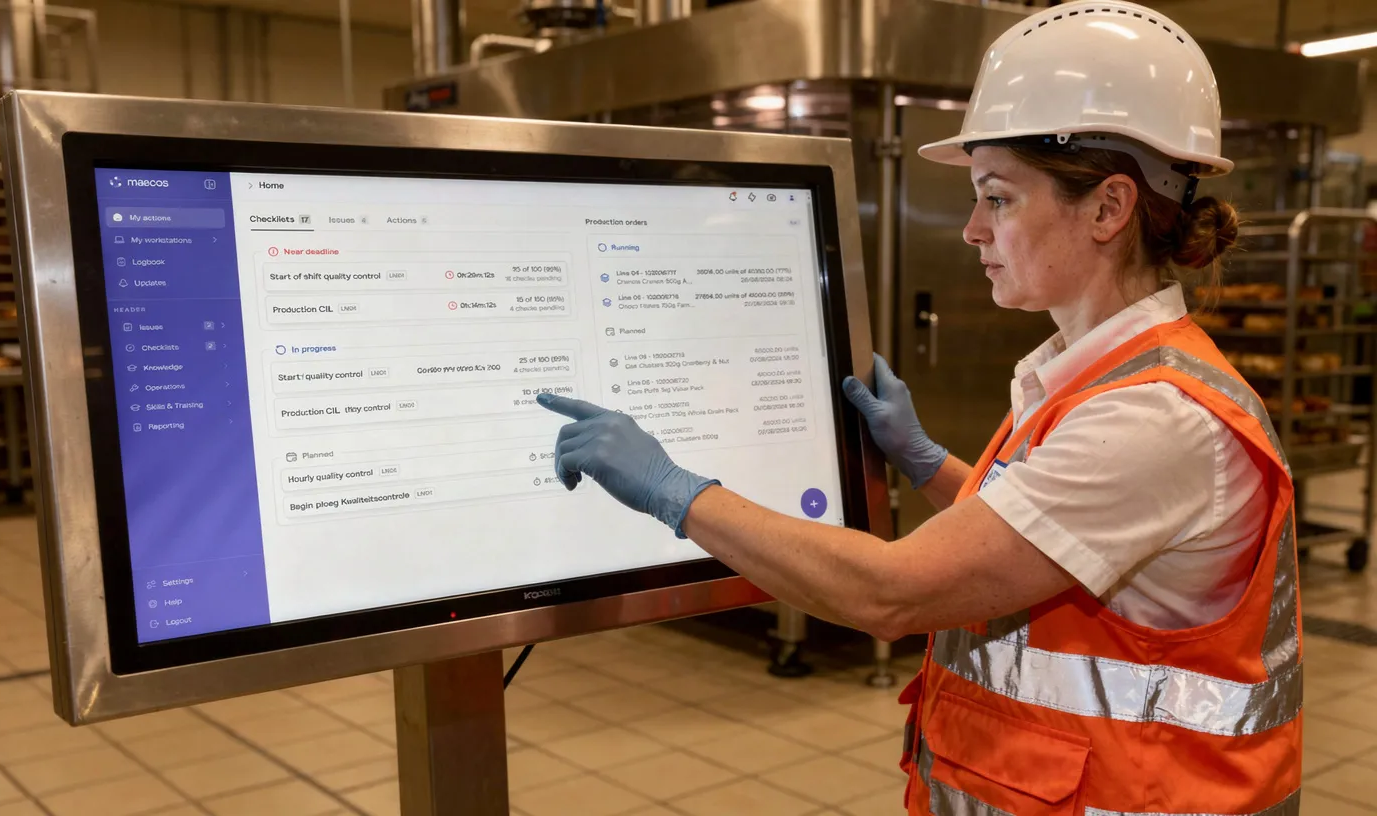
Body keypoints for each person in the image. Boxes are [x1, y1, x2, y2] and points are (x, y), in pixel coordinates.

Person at [537, 1, 1302, 813]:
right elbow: (1044, 537)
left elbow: (890, 594)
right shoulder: (1102, 377)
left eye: (998, 198)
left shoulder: (1154, 417)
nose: (972, 230)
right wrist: (930, 465)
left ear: (1110, 209)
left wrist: (672, 489)